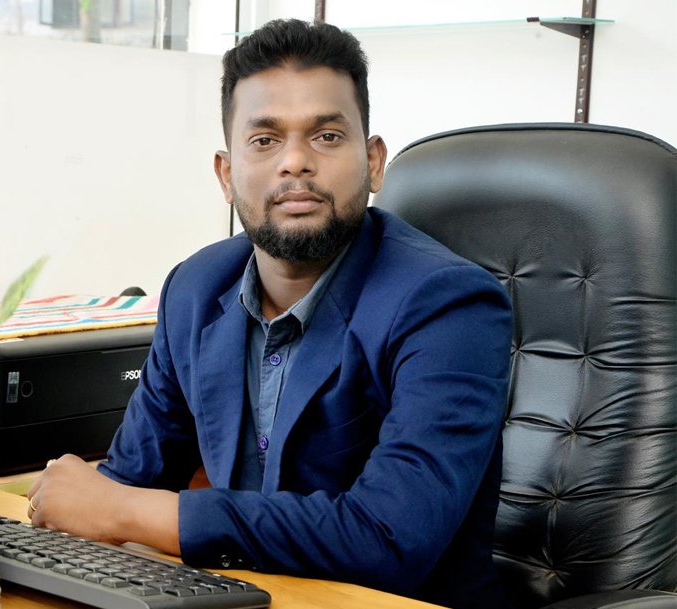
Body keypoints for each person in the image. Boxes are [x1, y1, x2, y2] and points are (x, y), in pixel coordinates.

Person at [25, 18, 513, 609]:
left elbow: (389, 536)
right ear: (226, 174)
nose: (295, 162)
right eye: (264, 140)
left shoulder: (449, 304)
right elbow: (130, 479)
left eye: (327, 136)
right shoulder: (196, 288)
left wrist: (127, 511)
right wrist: (86, 503)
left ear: (374, 162)